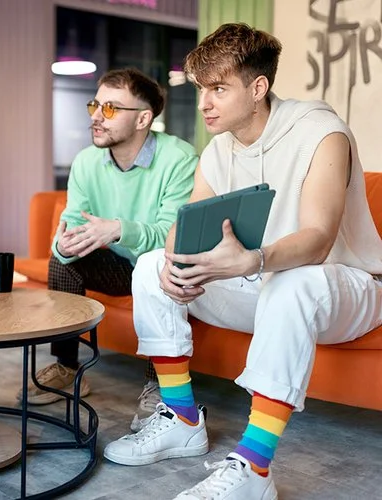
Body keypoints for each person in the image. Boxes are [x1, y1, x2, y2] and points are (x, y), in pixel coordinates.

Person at [103, 23, 382, 499]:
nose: (205, 103)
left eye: (218, 88)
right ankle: (182, 419)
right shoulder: (220, 149)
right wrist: (177, 263)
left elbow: (317, 242)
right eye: (201, 89)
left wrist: (251, 260)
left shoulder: (321, 131)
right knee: (151, 265)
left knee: (293, 282)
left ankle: (254, 470)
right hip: (264, 284)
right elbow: (183, 226)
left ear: (258, 88)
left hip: (345, 289)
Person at [18, 68, 198, 431]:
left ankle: (159, 382)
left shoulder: (179, 159)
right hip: (117, 267)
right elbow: (68, 222)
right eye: (95, 105)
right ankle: (69, 368)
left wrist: (118, 230)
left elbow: (173, 235)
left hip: (160, 266)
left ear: (144, 118)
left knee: (159, 261)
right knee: (63, 260)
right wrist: (64, 243)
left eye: (112, 108)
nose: (97, 117)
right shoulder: (86, 161)